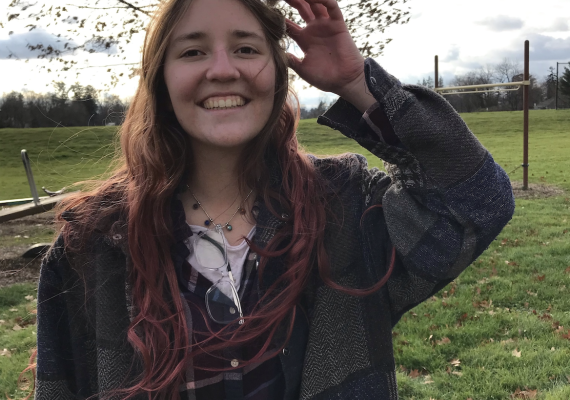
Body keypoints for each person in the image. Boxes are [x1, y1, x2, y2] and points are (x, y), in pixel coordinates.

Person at [33, 0, 515, 399]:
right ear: (160, 78)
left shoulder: (345, 211)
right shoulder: (90, 247)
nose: (222, 70)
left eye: (245, 48)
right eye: (193, 51)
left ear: (279, 74)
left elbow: (477, 202)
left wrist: (356, 85)